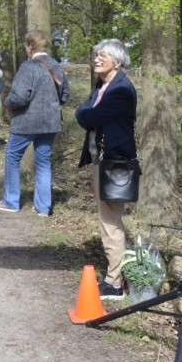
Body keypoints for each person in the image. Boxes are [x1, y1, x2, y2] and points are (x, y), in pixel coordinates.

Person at [75, 39, 137, 300]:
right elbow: (85, 110)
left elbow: (88, 116)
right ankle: (115, 276)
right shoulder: (102, 85)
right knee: (108, 219)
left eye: (103, 56)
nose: (97, 59)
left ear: (118, 62)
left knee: (110, 221)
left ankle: (114, 282)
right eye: (96, 55)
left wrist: (84, 112)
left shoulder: (121, 90)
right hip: (103, 160)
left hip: (115, 164)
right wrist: (85, 111)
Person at [0, 30, 70, 216]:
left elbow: (20, 97)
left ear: (30, 46)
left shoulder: (28, 66)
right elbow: (65, 94)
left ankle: (11, 201)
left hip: (26, 122)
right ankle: (43, 207)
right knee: (43, 163)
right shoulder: (56, 65)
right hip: (50, 122)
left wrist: (7, 102)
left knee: (13, 157)